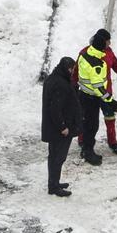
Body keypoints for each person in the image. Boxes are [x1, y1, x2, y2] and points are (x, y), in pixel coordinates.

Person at [71, 28, 117, 155]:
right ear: (103, 41)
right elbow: (76, 70)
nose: (110, 43)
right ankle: (82, 140)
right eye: (108, 41)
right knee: (87, 119)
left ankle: (112, 142)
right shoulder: (86, 52)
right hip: (90, 95)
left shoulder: (109, 52)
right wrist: (73, 88)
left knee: (110, 117)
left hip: (106, 92)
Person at [41, 56, 82, 197]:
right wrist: (63, 127)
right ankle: (54, 187)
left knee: (54, 156)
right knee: (58, 157)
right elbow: (55, 109)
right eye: (72, 69)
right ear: (67, 68)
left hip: (54, 128)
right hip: (60, 130)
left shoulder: (54, 79)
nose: (73, 71)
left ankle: (54, 183)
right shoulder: (60, 84)